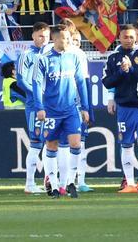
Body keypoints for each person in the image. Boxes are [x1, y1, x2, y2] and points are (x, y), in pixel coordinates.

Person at [34, 25, 91, 198]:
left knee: (76, 144)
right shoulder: (43, 59)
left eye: (68, 38)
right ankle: (54, 185)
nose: (67, 41)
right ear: (54, 39)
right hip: (51, 111)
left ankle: (71, 182)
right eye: (64, 38)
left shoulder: (74, 57)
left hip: (71, 110)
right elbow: (37, 84)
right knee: (51, 146)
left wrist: (85, 107)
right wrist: (39, 107)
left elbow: (81, 82)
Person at [103, 23, 138, 193]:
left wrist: (132, 69)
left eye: (132, 37)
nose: (129, 40)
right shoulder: (113, 58)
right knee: (126, 145)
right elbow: (107, 82)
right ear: (119, 38)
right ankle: (130, 183)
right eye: (125, 37)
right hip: (124, 108)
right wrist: (121, 71)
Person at [13, 22, 52, 194]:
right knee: (36, 143)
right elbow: (21, 81)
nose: (44, 39)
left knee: (51, 143)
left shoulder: (51, 54)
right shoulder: (26, 55)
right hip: (35, 105)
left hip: (51, 105)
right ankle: (29, 183)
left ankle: (50, 181)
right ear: (33, 36)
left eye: (47, 36)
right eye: (41, 36)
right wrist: (38, 96)